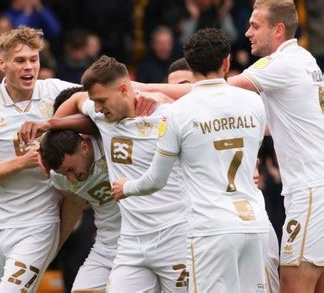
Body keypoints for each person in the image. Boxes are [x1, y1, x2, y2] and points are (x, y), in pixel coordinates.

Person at [112, 28, 269, 292]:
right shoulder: (254, 102)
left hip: (210, 230)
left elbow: (156, 180)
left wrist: (126, 187)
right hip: (255, 224)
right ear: (227, 62)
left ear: (190, 65)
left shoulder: (178, 112)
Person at [21, 55, 189, 292]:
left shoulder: (166, 115)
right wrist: (48, 130)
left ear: (123, 89)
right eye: (95, 102)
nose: (97, 109)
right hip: (130, 244)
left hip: (175, 236)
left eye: (101, 101)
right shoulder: (104, 120)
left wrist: (162, 96)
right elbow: (78, 97)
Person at [0, 27, 80, 292]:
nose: (29, 67)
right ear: (2, 64)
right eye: (20, 60)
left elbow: (98, 96)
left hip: (40, 222)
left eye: (34, 59)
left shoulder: (57, 92)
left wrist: (52, 123)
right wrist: (22, 162)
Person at [228, 1, 324, 291]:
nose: (247, 32)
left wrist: (146, 89)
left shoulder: (280, 63)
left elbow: (214, 91)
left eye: (255, 25)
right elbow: (274, 124)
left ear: (278, 29)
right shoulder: (305, 59)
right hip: (315, 187)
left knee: (292, 286)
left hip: (310, 192)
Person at [169, 56, 280, 292]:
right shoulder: (173, 122)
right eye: (171, 88)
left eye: (183, 86)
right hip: (195, 228)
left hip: (244, 220)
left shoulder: (240, 109)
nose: (175, 94)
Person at [40, 129, 120, 293]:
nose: (71, 178)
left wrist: (48, 123)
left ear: (84, 146)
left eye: (71, 169)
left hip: (145, 240)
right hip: (106, 246)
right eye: (64, 173)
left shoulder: (110, 142)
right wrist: (53, 249)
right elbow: (73, 202)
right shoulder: (60, 178)